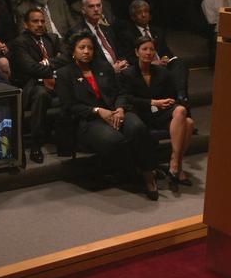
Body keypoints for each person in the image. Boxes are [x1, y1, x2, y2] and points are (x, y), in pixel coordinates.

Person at [56, 34, 159, 199]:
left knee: (137, 128)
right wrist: (98, 111)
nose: (86, 51)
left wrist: (119, 108)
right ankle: (135, 172)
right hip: (89, 119)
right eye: (82, 48)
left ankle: (148, 176)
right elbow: (70, 106)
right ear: (73, 51)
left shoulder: (103, 67)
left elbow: (120, 92)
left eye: (90, 48)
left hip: (115, 111)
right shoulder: (64, 74)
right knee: (114, 139)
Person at [121, 35, 195, 188]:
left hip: (160, 113)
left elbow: (171, 95)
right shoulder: (127, 74)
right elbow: (127, 98)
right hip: (139, 115)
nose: (148, 53)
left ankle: (175, 161)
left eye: (151, 49)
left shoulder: (162, 72)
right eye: (144, 49)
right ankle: (177, 167)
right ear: (136, 52)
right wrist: (152, 102)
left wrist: (167, 102)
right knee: (187, 122)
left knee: (184, 115)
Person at [9, 7, 62, 164]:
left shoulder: (52, 38)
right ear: (26, 24)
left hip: (54, 83)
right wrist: (53, 67)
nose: (39, 24)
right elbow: (30, 68)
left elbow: (67, 58)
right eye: (35, 21)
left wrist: (46, 62)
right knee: (41, 94)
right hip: (29, 87)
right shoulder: (19, 43)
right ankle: (35, 145)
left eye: (42, 21)